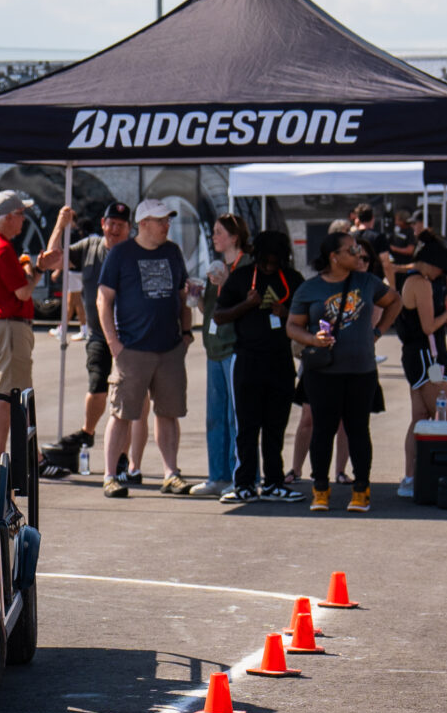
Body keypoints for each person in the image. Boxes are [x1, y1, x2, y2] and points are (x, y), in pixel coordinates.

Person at [289, 227, 397, 512]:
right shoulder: (310, 288)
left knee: (358, 430)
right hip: (323, 372)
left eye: (357, 249)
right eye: (351, 250)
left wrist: (378, 331)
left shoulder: (367, 281)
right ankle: (320, 490)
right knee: (322, 431)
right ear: (334, 257)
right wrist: (313, 339)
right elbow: (292, 326)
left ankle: (361, 490)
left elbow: (394, 301)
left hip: (361, 370)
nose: (358, 253)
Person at [96, 196, 192, 498]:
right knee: (122, 413)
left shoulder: (173, 252)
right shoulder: (121, 254)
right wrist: (114, 343)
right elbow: (103, 300)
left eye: (168, 221)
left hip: (169, 349)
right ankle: (110, 475)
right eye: (161, 221)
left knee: (168, 413)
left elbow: (182, 294)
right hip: (132, 350)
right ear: (144, 224)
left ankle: (170, 473)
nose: (167, 226)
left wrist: (186, 334)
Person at [212, 227, 299, 502]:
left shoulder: (293, 280)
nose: (270, 267)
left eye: (276, 262)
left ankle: (274, 482)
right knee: (247, 426)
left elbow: (309, 317)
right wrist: (246, 306)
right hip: (247, 359)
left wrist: (287, 314)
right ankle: (244, 484)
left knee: (276, 426)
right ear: (258, 256)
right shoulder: (241, 278)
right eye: (266, 262)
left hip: (281, 360)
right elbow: (219, 316)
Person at [0, 189, 61, 461]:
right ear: (8, 217)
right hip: (9, 327)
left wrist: (34, 268)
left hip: (4, 326)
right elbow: (23, 292)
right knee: (7, 395)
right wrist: (39, 268)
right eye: (21, 214)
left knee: (13, 392)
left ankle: (26, 455)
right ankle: (0, 459)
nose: (23, 220)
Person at [46, 199, 127, 475]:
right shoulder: (90, 247)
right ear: (103, 224)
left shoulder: (133, 251)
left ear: (129, 228)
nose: (115, 229)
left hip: (130, 335)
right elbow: (52, 258)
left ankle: (125, 455)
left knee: (128, 397)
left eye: (121, 225)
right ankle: (88, 431)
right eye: (111, 224)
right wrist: (60, 225)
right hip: (97, 333)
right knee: (97, 387)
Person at [393, 231, 447, 500]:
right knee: (441, 414)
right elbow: (429, 326)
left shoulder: (411, 280)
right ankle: (438, 474)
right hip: (426, 357)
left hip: (416, 355)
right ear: (431, 264)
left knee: (419, 418)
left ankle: (411, 476)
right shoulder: (421, 283)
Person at [191, 213, 247, 496]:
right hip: (213, 348)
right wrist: (197, 296)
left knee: (234, 416)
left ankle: (241, 476)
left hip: (235, 348)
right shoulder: (217, 267)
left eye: (219, 232)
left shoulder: (245, 266)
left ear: (234, 237)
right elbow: (211, 308)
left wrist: (227, 282)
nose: (213, 237)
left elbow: (246, 304)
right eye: (213, 232)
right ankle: (218, 476)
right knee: (215, 416)